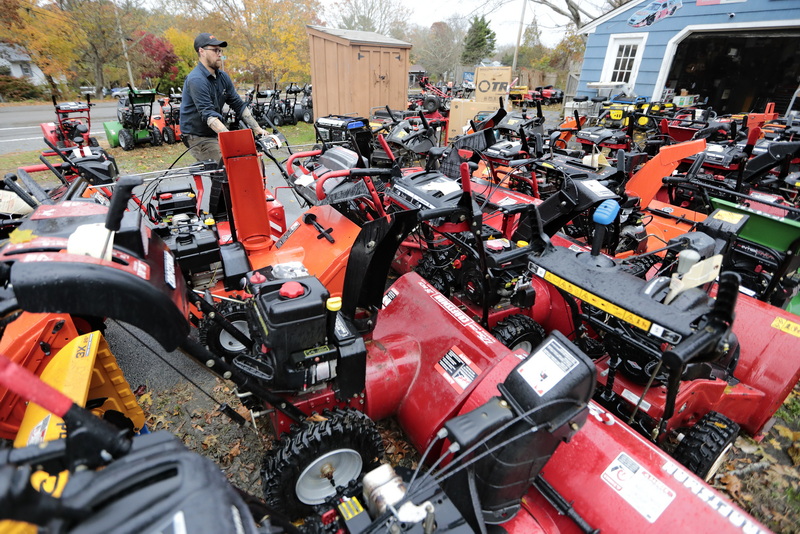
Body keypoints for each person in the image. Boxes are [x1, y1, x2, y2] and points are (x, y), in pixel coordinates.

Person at [180, 32, 266, 162]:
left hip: (215, 132)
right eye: (215, 50)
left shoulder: (222, 77)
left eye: (220, 50)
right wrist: (230, 140)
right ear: (201, 51)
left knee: (252, 158)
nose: (220, 54)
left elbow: (238, 104)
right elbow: (209, 115)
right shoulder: (196, 79)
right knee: (228, 165)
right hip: (198, 136)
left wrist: (258, 129)